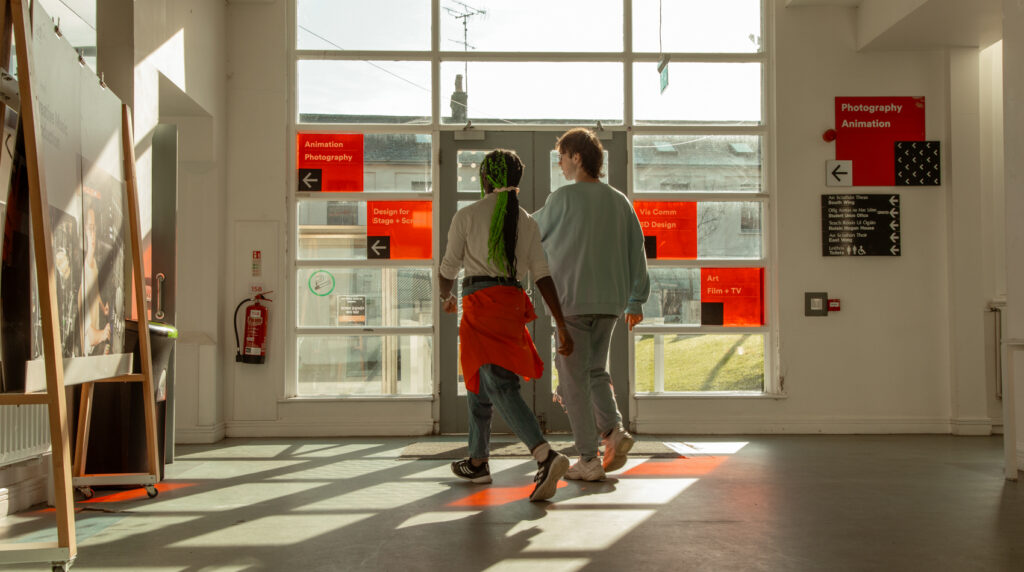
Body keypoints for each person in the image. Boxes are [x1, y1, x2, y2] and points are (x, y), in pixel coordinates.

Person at [438, 149, 573, 502]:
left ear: (486, 178)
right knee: (480, 381)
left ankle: (545, 455)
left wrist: (445, 297)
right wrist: (560, 322)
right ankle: (479, 460)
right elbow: (542, 275)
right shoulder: (528, 222)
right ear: (517, 180)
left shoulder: (466, 215)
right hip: (511, 303)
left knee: (499, 384)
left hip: (480, 305)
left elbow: (447, 269)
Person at [532, 128, 650, 482]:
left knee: (572, 382)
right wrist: (636, 299)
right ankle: (613, 432)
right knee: (596, 371)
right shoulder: (620, 201)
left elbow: (530, 231)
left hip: (572, 302)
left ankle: (588, 458)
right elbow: (637, 253)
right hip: (610, 304)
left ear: (577, 157)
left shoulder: (562, 199)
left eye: (563, 156)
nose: (560, 163)